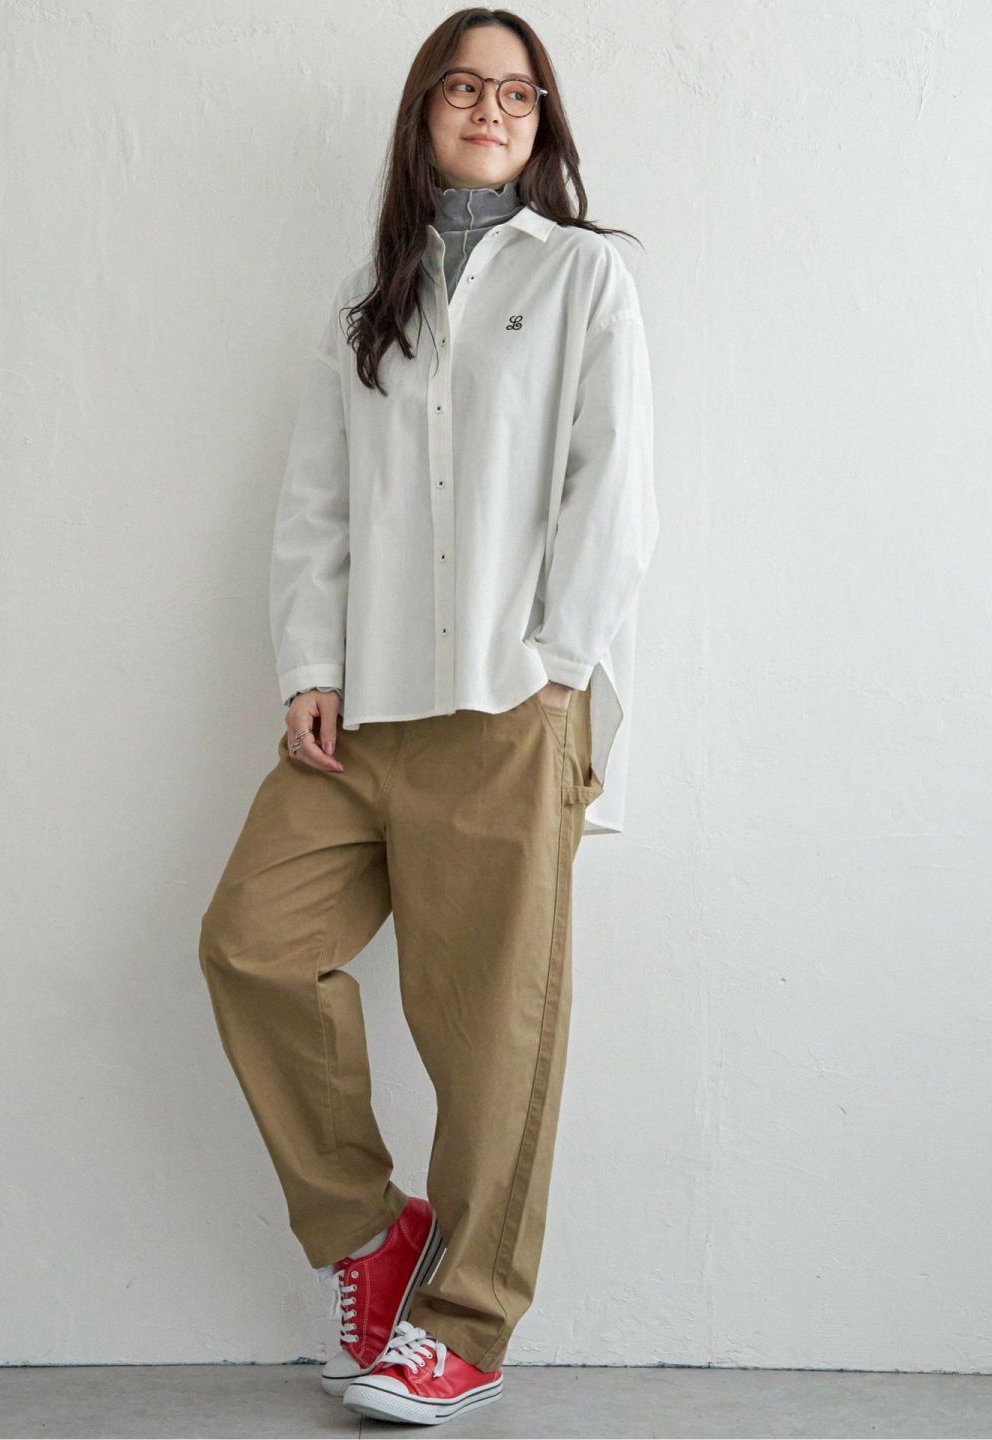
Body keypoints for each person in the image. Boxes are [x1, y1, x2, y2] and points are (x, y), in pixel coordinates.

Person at [198, 6, 658, 1427]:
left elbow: (612, 484)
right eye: (465, 86)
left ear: (544, 120)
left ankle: (464, 1323)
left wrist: (557, 666)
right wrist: (307, 666)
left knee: (489, 1036)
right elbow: (318, 503)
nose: (492, 108)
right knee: (252, 946)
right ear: (424, 113)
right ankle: (371, 1229)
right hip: (362, 713)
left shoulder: (581, 277)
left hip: (508, 706)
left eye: (518, 91)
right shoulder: (370, 298)